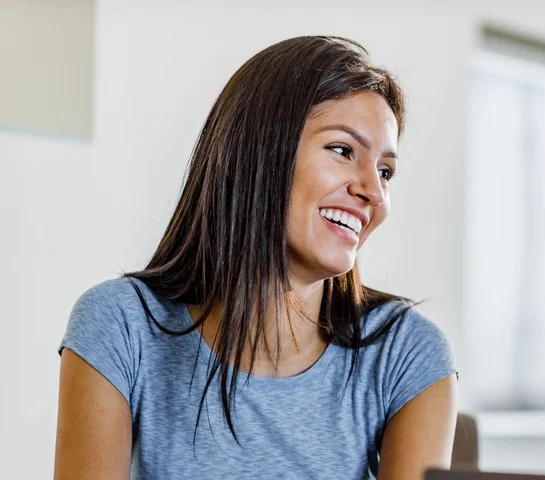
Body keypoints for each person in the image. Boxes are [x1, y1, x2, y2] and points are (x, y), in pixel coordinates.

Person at [54, 36, 457, 479]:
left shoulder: (407, 354)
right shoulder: (120, 325)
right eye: (343, 151)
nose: (374, 192)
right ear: (256, 152)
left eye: (386, 172)